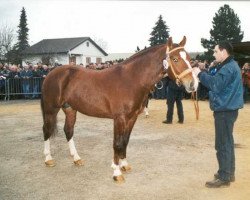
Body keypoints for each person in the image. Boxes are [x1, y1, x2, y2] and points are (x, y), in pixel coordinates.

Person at [193, 41, 244, 188]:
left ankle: (224, 176)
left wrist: (200, 74)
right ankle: (228, 172)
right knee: (227, 142)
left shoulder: (228, 68)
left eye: (216, 51)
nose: (214, 54)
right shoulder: (229, 66)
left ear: (223, 51)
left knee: (222, 144)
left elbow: (215, 84)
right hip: (228, 109)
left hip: (225, 110)